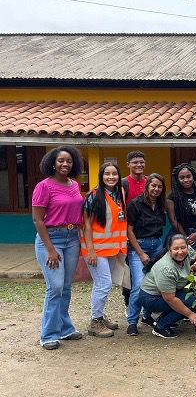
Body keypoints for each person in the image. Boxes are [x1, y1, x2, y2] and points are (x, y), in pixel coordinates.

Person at [32, 145, 85, 350]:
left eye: (69, 161)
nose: (65, 164)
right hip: (50, 239)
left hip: (72, 238)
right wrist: (51, 249)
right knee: (54, 287)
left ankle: (65, 328)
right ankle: (48, 334)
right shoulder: (44, 186)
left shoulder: (74, 185)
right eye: (61, 160)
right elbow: (38, 220)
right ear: (53, 163)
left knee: (65, 287)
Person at [81, 162, 128, 338]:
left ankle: (99, 316)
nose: (111, 177)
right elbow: (86, 224)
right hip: (95, 250)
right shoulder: (94, 196)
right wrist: (91, 251)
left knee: (101, 284)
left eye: (114, 174)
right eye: (107, 174)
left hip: (111, 249)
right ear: (101, 176)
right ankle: (95, 321)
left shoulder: (119, 193)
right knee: (104, 284)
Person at [139, 234, 196, 339]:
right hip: (151, 298)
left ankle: (164, 319)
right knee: (188, 305)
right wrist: (190, 315)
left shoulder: (187, 252)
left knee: (193, 300)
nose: (180, 251)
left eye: (183, 247)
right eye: (176, 249)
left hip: (171, 292)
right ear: (169, 250)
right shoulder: (166, 268)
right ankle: (160, 327)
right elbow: (170, 299)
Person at [125, 173, 167, 336]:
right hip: (139, 247)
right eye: (153, 185)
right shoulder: (135, 204)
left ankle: (147, 315)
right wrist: (141, 253)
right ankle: (132, 321)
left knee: (154, 284)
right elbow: (129, 230)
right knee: (139, 285)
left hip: (157, 245)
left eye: (159, 186)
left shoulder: (161, 205)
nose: (156, 189)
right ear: (147, 186)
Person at [120, 150, 147, 311]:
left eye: (141, 162)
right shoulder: (123, 183)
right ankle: (129, 304)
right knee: (130, 273)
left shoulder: (149, 181)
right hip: (128, 234)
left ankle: (145, 306)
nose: (139, 165)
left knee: (148, 272)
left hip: (147, 233)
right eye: (135, 162)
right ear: (128, 164)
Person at [167, 163, 196, 255]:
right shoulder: (172, 197)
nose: (186, 180)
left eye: (188, 176)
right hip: (180, 235)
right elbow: (173, 220)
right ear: (177, 180)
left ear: (193, 176)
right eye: (182, 177)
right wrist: (186, 237)